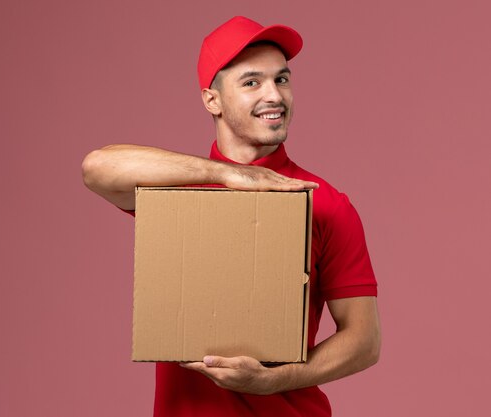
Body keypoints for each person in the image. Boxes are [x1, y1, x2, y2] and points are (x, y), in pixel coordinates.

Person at [82, 15, 380, 417]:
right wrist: (226, 173)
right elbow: (97, 167)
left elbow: (364, 341)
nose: (274, 95)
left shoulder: (323, 202)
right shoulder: (179, 193)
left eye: (283, 79)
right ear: (212, 100)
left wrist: (273, 380)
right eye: (252, 82)